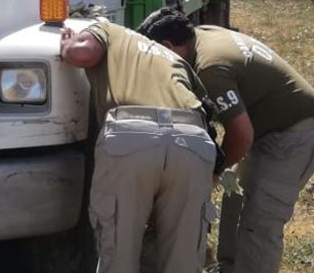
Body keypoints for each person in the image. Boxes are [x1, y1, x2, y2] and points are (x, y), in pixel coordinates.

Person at [138, 8, 314, 273]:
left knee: (261, 219)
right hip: (267, 128)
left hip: (296, 134)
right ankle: (228, 267)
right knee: (234, 199)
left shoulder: (210, 68)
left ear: (169, 46)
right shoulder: (201, 36)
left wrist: (212, 174)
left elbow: (241, 135)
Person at [59, 20, 217, 273]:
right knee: (184, 259)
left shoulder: (110, 30)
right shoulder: (177, 61)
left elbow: (83, 53)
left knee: (118, 253)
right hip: (192, 138)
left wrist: (67, 44)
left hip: (131, 135)